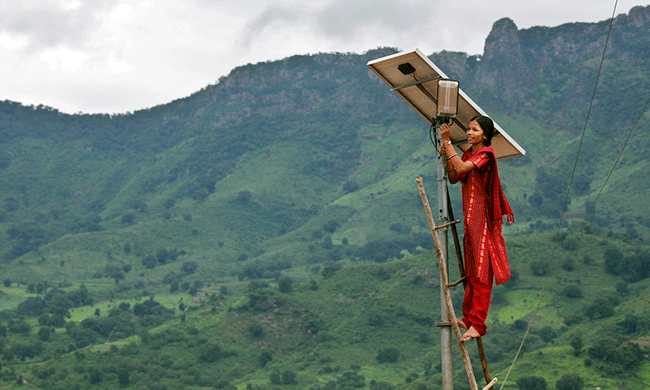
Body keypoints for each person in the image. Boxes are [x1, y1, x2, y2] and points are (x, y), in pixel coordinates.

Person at [439, 116, 514, 342]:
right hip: (471, 218)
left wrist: (448, 142)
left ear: (485, 135)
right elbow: (455, 176)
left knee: (482, 271)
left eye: (474, 130)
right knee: (471, 270)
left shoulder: (486, 155)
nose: (469, 133)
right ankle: (470, 318)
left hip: (483, 220)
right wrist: (446, 156)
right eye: (469, 129)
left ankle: (478, 324)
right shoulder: (469, 154)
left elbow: (461, 167)